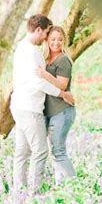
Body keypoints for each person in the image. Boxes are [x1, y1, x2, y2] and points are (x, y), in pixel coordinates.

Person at [10, 15, 74, 192]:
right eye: (47, 34)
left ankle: (19, 192)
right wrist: (63, 94)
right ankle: (34, 193)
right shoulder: (32, 52)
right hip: (30, 108)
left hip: (18, 105)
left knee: (22, 152)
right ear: (39, 30)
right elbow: (37, 82)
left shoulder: (21, 47)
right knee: (40, 151)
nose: (47, 38)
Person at [36, 26, 77, 184]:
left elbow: (61, 85)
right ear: (47, 40)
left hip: (62, 111)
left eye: (60, 39)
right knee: (54, 153)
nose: (56, 42)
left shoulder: (63, 59)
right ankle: (61, 188)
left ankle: (74, 188)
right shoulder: (44, 59)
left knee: (58, 151)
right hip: (49, 112)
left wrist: (45, 74)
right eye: (53, 39)